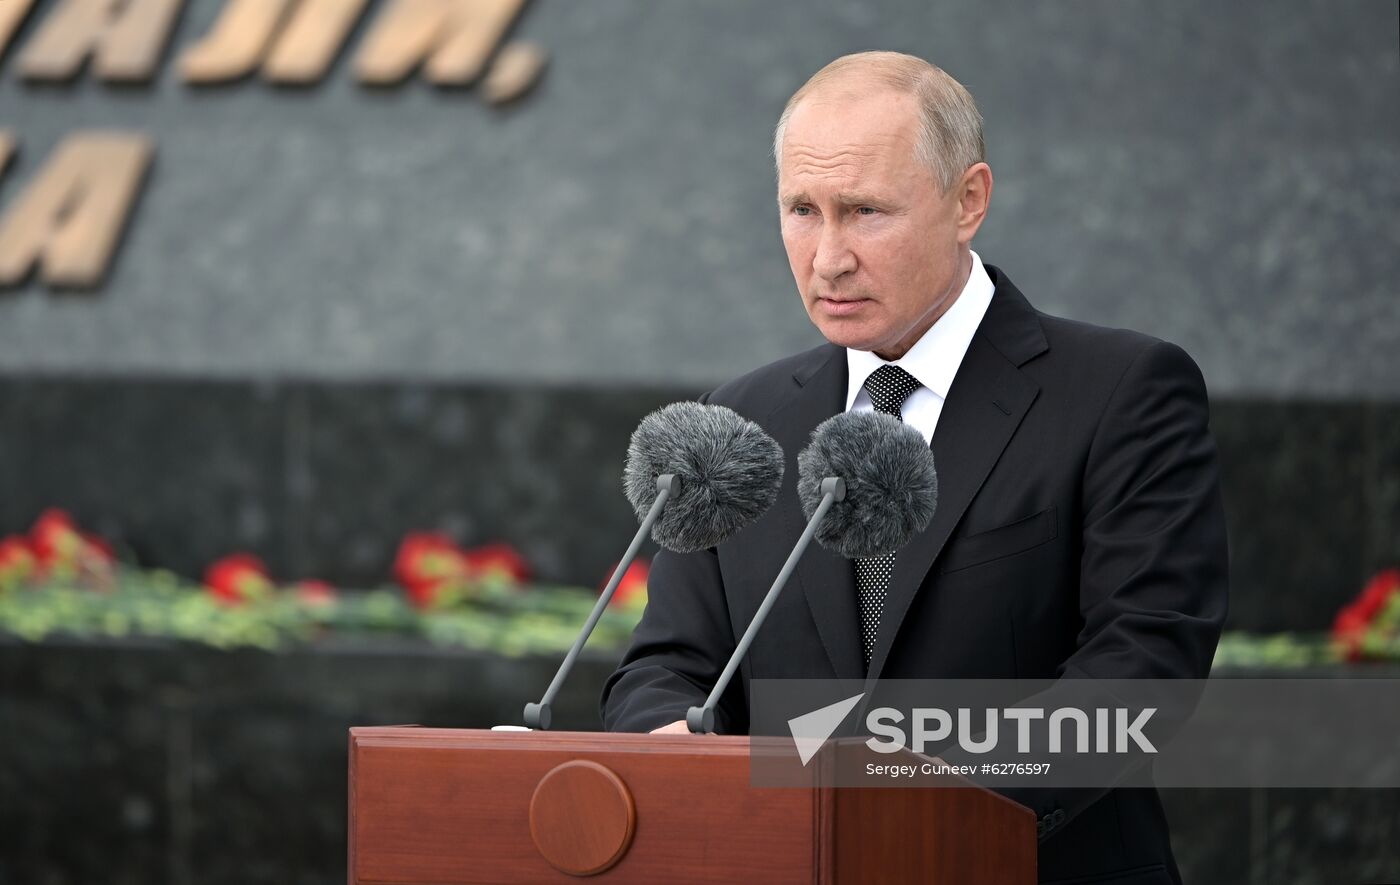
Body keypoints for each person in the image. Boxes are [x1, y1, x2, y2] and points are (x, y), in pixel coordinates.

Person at [601, 51, 1228, 885]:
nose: (827, 256)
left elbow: (1140, 669)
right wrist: (668, 744)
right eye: (802, 209)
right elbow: (665, 666)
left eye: (863, 211)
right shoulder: (740, 421)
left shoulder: (1120, 392)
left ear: (969, 200)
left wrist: (907, 800)